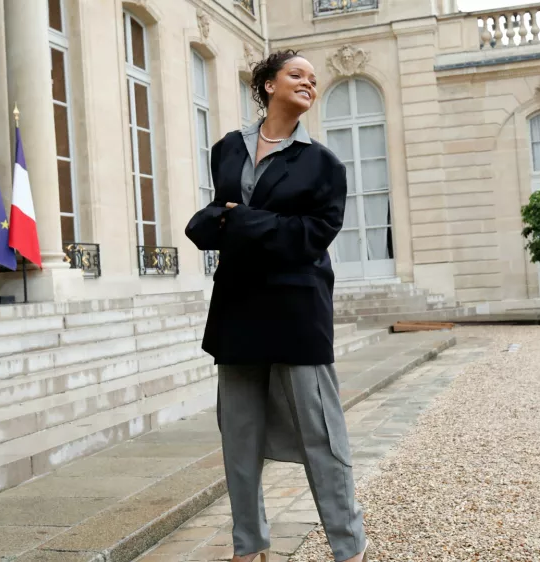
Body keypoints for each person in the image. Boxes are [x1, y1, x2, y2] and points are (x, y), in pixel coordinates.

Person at [185, 50, 369, 562]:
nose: (309, 82)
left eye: (313, 78)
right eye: (297, 74)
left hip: (297, 311)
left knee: (323, 437)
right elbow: (215, 215)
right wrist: (213, 223)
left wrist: (239, 222)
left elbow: (312, 236)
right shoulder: (227, 148)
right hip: (238, 307)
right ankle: (249, 546)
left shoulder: (323, 163)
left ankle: (348, 547)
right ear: (267, 85)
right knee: (238, 439)